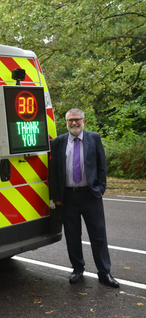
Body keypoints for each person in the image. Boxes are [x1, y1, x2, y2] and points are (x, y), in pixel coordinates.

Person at [50, 108, 119, 288]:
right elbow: (53, 171)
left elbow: (101, 164)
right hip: (68, 197)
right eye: (70, 120)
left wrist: (101, 187)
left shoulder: (93, 138)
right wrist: (56, 196)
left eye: (77, 120)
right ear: (66, 123)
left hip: (91, 195)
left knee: (98, 236)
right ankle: (77, 269)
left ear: (83, 121)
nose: (74, 123)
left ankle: (104, 273)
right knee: (72, 235)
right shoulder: (57, 143)